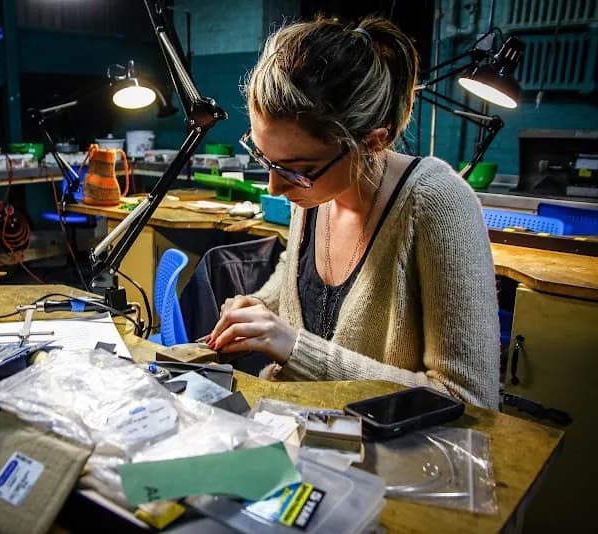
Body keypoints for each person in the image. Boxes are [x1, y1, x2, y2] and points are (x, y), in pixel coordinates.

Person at [205, 15, 500, 409]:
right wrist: (259, 307)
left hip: (385, 461)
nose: (275, 187)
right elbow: (298, 278)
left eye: (298, 170)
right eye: (265, 158)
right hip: (294, 430)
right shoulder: (316, 194)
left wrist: (295, 349)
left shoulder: (435, 204)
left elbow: (471, 402)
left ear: (373, 142)